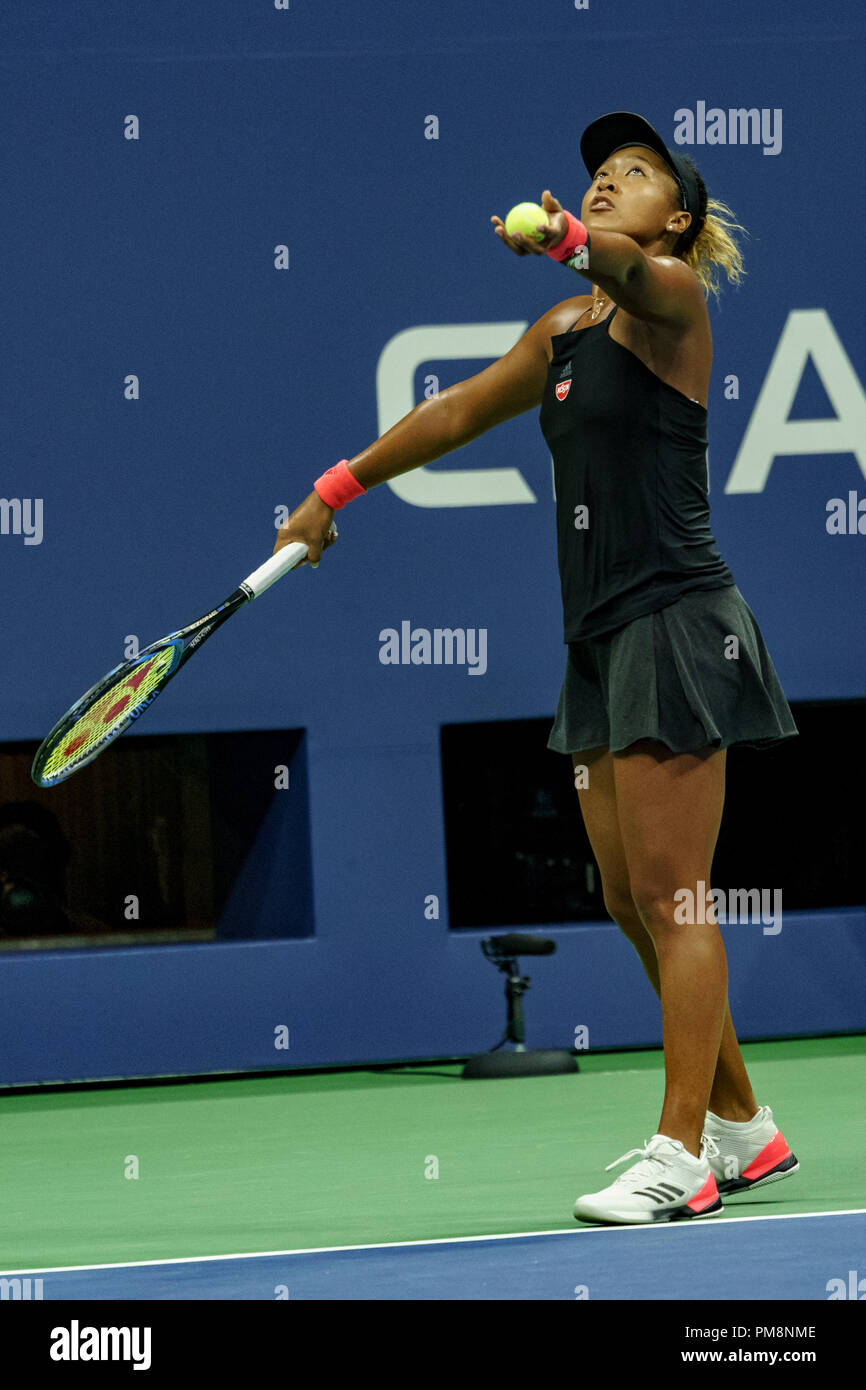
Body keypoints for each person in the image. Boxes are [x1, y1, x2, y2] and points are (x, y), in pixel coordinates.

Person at [272, 111, 800, 1225]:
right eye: (597, 172)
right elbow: (454, 409)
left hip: (676, 620)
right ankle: (745, 1128)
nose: (608, 181)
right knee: (624, 894)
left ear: (678, 222)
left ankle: (679, 1155)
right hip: (600, 637)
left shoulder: (671, 300)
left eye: (634, 174)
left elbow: (612, 265)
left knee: (674, 893)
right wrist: (332, 493)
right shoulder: (566, 329)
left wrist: (561, 232)